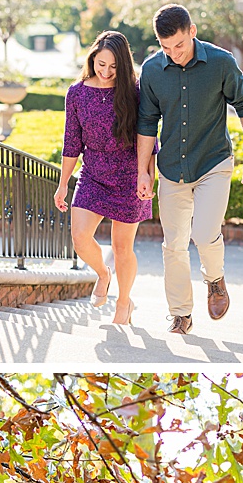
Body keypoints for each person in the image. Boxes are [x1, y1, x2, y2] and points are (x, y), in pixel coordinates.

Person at [135, 4, 243, 335]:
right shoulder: (151, 70)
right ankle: (181, 314)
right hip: (171, 168)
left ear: (192, 31)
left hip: (213, 162)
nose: (174, 54)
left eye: (179, 45)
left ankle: (215, 279)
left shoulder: (220, 62)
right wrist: (143, 171)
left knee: (205, 234)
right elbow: (147, 122)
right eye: (166, 48)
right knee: (173, 244)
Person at [56, 32, 151, 327]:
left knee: (122, 248)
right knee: (80, 238)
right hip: (93, 175)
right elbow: (72, 142)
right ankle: (102, 273)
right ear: (92, 58)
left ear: (122, 66)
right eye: (101, 64)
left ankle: (124, 304)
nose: (106, 72)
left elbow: (147, 137)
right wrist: (62, 184)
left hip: (129, 176)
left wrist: (146, 174)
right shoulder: (77, 92)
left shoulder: (134, 91)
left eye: (113, 67)